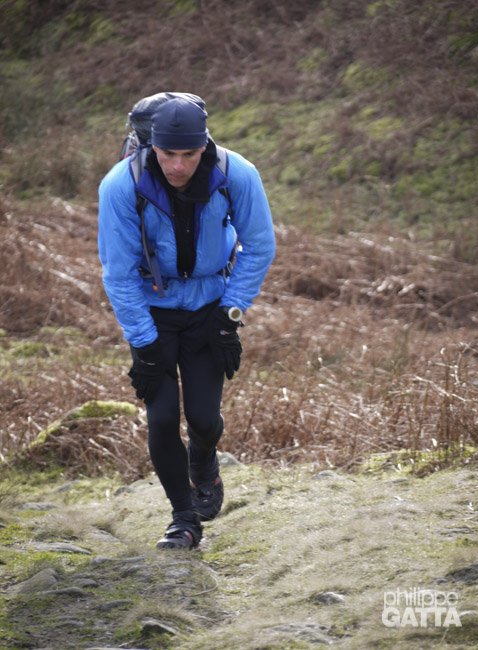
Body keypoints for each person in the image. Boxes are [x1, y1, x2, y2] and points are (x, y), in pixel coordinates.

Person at [98, 93, 275, 550]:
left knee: (202, 417)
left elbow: (259, 246)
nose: (177, 166)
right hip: (151, 310)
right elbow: (117, 273)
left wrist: (230, 313)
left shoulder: (238, 174)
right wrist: (144, 343)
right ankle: (184, 519)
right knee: (160, 418)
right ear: (150, 145)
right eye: (167, 154)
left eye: (189, 155)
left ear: (205, 145)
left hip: (209, 308)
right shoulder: (121, 186)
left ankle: (204, 460)